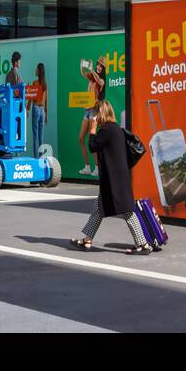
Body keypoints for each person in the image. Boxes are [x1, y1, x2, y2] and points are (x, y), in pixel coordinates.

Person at [70, 101, 151, 254]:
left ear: (101, 113)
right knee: (99, 208)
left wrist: (92, 131)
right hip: (116, 177)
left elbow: (93, 146)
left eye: (95, 113)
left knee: (127, 210)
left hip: (114, 179)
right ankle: (87, 240)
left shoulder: (106, 130)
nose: (93, 117)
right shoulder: (115, 129)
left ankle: (143, 245)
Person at [77, 58, 107, 177]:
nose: (99, 67)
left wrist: (91, 70)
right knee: (81, 138)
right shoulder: (91, 76)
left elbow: (99, 82)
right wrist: (82, 65)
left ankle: (98, 167)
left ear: (103, 69)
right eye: (98, 65)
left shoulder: (102, 80)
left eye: (101, 66)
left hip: (94, 111)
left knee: (91, 140)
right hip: (86, 111)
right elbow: (83, 73)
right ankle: (87, 166)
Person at [28, 61, 48, 157]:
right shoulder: (45, 84)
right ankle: (41, 157)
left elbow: (31, 98)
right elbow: (46, 100)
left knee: (35, 135)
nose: (35, 70)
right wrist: (46, 114)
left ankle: (36, 158)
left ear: (39, 71)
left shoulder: (35, 83)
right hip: (42, 110)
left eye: (36, 69)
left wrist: (27, 109)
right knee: (41, 136)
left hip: (36, 108)